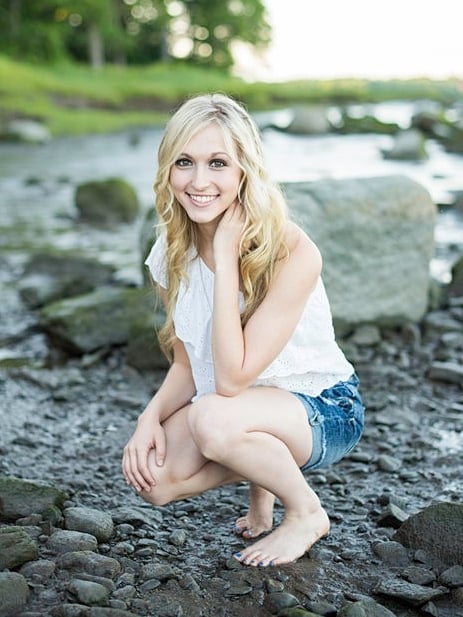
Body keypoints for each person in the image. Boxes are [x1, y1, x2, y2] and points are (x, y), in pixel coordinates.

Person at [122, 93, 364, 568]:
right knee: (153, 480)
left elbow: (233, 378)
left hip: (323, 408)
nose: (199, 182)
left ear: (244, 171)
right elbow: (189, 364)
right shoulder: (171, 251)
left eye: (217, 163)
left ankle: (306, 512)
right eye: (184, 162)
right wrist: (147, 419)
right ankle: (262, 482)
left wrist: (227, 256)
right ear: (167, 169)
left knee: (212, 417)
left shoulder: (292, 251)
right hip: (245, 407)